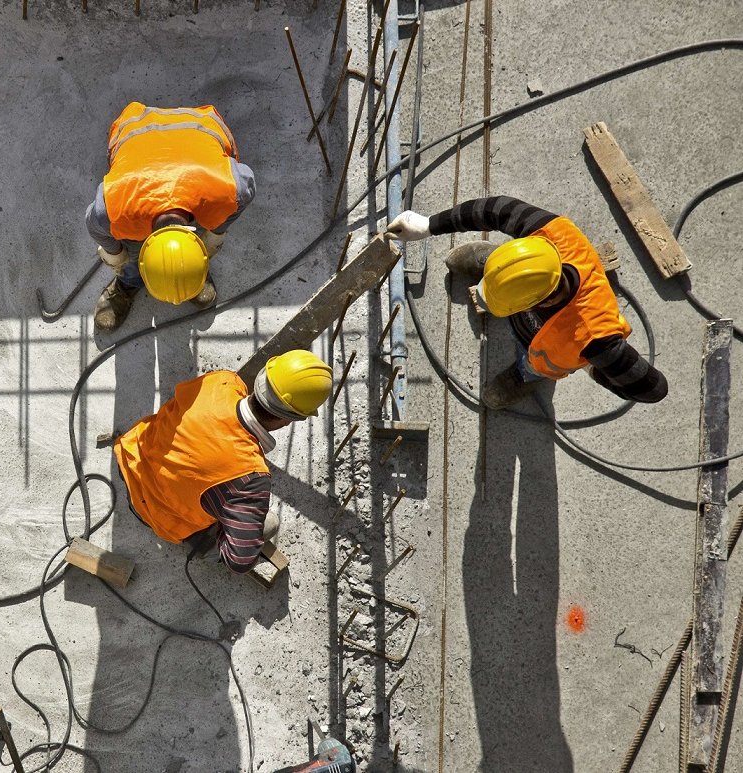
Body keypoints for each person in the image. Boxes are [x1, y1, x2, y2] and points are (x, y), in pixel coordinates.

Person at [385, 196, 668, 409]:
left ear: (535, 302)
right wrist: (428, 225)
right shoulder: (553, 233)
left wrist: (592, 367)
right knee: (505, 271)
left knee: (532, 366)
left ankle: (525, 376)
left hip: (541, 355)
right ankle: (496, 264)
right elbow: (494, 209)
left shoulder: (596, 336)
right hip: (524, 279)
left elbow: (653, 389)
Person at [113, 350, 332, 574]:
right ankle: (202, 538)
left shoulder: (222, 381)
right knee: (270, 523)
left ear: (262, 377)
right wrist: (229, 513)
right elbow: (239, 561)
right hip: (157, 514)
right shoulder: (250, 479)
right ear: (289, 419)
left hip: (132, 457)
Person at [85, 102, 256, 331]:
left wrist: (216, 233)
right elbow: (95, 224)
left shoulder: (229, 190)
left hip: (202, 124)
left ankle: (189, 272)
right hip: (136, 126)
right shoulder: (114, 210)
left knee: (193, 234)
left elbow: (246, 186)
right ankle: (129, 280)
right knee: (129, 251)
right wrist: (117, 256)